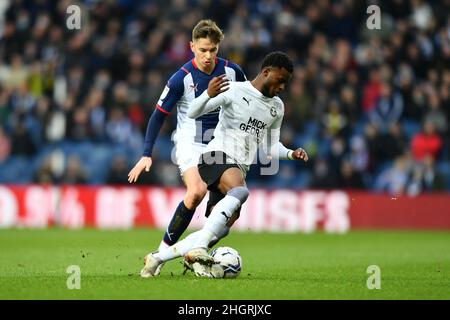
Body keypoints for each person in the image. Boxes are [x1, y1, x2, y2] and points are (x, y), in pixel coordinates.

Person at [128, 20, 292, 275]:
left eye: (213, 50)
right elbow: (159, 115)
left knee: (226, 218)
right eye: (203, 50)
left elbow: (249, 99)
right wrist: (146, 154)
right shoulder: (180, 78)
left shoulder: (232, 71)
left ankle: (182, 255)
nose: (208, 56)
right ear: (192, 47)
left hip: (222, 143)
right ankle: (162, 251)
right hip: (190, 141)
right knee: (196, 191)